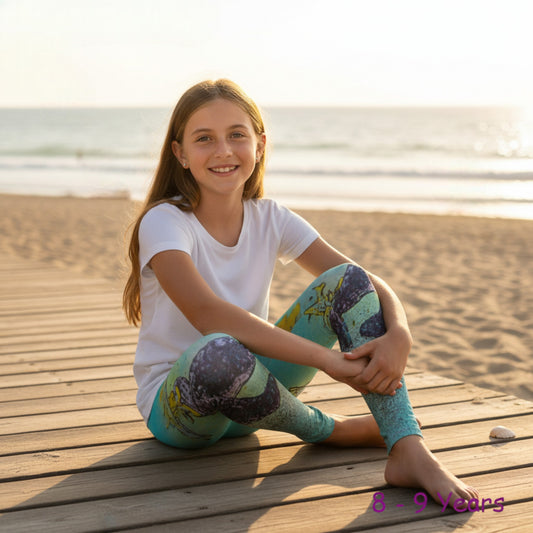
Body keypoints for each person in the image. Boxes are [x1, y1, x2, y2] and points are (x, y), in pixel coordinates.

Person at [123, 79, 478, 508]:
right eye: (204, 139)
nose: (223, 151)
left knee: (346, 281)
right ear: (180, 152)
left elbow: (360, 278)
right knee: (216, 350)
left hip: (255, 392)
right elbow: (207, 313)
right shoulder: (164, 221)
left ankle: (407, 447)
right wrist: (327, 360)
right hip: (183, 409)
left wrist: (401, 332)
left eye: (237, 135)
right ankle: (328, 429)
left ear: (259, 145)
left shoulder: (270, 217)